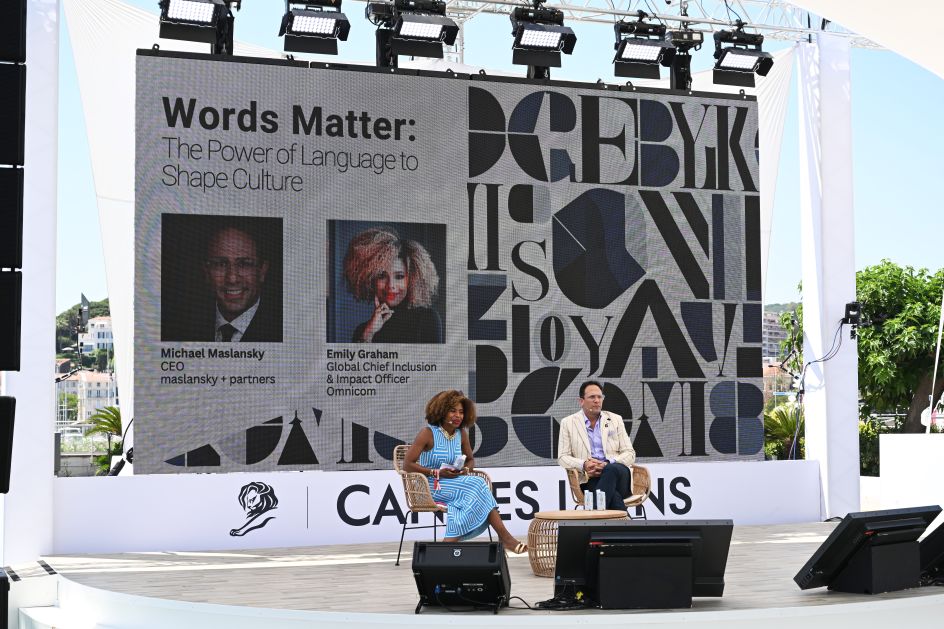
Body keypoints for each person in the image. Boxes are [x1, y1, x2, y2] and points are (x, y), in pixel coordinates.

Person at [403, 390, 527, 553]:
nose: (458, 416)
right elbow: (407, 465)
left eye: (461, 412)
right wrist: (437, 473)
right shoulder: (427, 433)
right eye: (453, 411)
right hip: (431, 487)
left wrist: (464, 469)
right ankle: (504, 539)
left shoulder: (461, 434)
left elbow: (470, 459)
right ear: (441, 411)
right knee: (478, 485)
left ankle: (453, 542)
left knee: (476, 486)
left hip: (455, 483)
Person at [343, 227, 443, 343]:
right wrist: (368, 334)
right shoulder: (363, 330)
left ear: (412, 279)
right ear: (370, 280)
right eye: (382, 276)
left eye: (399, 276)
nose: (391, 285)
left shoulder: (427, 320)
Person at [190, 223, 281, 342]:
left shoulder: (283, 328)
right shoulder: (184, 325)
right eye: (220, 264)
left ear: (262, 271)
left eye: (244, 264)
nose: (232, 278)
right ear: (207, 272)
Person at [557, 380, 636, 510]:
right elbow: (562, 457)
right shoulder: (568, 423)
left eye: (600, 397)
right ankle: (623, 525)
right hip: (590, 478)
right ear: (581, 401)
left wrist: (607, 463)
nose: (597, 400)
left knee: (610, 469)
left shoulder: (615, 419)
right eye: (592, 397)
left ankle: (592, 518)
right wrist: (584, 464)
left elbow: (630, 453)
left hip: (619, 476)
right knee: (613, 499)